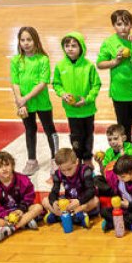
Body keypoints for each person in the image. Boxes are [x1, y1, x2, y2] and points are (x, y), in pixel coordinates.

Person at [10, 26, 56, 176]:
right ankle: (32, 161)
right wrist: (20, 102)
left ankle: (56, 159)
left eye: (29, 39)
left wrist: (24, 99)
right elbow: (15, 82)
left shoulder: (43, 59)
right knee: (30, 130)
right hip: (25, 104)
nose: (26, 43)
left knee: (49, 129)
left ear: (35, 40)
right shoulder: (16, 60)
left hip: (42, 102)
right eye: (22, 40)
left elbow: (43, 83)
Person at [52, 31, 101, 164]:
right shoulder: (60, 66)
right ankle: (77, 157)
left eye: (74, 45)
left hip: (87, 109)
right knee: (75, 135)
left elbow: (96, 85)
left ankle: (87, 158)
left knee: (88, 135)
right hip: (71, 110)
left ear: (81, 48)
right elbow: (56, 83)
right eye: (67, 46)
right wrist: (62, 93)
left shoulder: (88, 66)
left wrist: (88, 99)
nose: (70, 48)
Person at [97, 9, 132, 144]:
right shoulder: (109, 42)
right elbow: (100, 64)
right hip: (120, 93)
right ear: (114, 25)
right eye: (119, 24)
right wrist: (115, 62)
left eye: (126, 24)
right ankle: (127, 158)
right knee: (124, 130)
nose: (123, 28)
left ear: (131, 25)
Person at [0, 151, 44, 243]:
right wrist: (5, 215)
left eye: (7, 165)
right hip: (4, 215)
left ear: (12, 165)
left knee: (38, 207)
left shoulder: (23, 179)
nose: (4, 169)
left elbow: (29, 197)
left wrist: (20, 210)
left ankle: (10, 228)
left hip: (21, 211)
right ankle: (23, 223)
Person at [46, 147, 99, 224]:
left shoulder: (85, 170)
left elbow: (91, 190)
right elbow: (54, 191)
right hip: (69, 201)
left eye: (69, 169)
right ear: (59, 167)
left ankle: (59, 216)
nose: (67, 173)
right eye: (63, 170)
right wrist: (54, 203)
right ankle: (76, 216)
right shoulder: (58, 174)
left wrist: (79, 201)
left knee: (95, 201)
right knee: (45, 201)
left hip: (83, 201)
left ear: (76, 162)